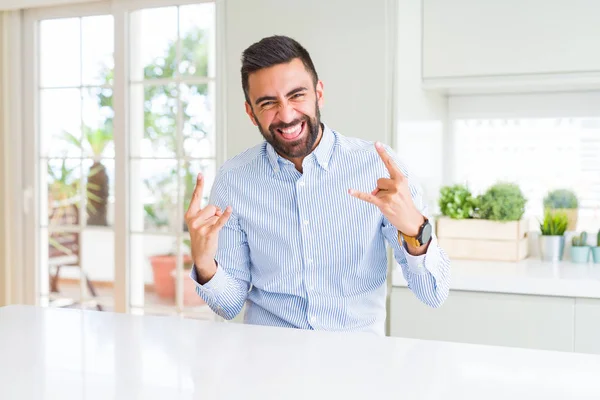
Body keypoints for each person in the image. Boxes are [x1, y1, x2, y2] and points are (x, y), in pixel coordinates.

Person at [186, 35, 451, 335]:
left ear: (319, 94)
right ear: (251, 112)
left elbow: (433, 293)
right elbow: (229, 305)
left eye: (297, 95)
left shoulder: (377, 167)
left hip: (356, 363)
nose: (286, 115)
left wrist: (416, 228)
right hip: (268, 362)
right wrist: (205, 262)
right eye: (268, 103)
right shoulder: (234, 181)